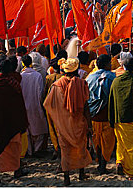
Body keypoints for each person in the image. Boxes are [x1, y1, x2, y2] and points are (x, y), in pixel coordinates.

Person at [43, 57, 92, 186]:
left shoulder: (56, 86)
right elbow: (86, 106)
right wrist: (89, 124)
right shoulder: (82, 84)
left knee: (65, 151)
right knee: (81, 147)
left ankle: (67, 178)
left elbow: (47, 104)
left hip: (63, 125)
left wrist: (58, 118)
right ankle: (81, 173)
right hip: (79, 123)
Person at [108, 57, 133, 179]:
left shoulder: (116, 81)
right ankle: (131, 173)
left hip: (118, 118)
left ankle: (120, 162)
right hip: (132, 119)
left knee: (121, 143)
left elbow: (112, 101)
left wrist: (112, 119)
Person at [86, 54, 116, 174]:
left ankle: (100, 163)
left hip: (93, 115)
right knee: (107, 142)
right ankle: (103, 164)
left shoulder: (89, 77)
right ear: (107, 64)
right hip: (106, 115)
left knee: (97, 140)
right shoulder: (111, 77)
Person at [20, 54, 48, 156]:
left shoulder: (21, 76)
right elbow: (40, 92)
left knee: (28, 130)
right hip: (35, 104)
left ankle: (29, 150)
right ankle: (36, 149)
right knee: (38, 128)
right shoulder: (37, 75)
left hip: (25, 105)